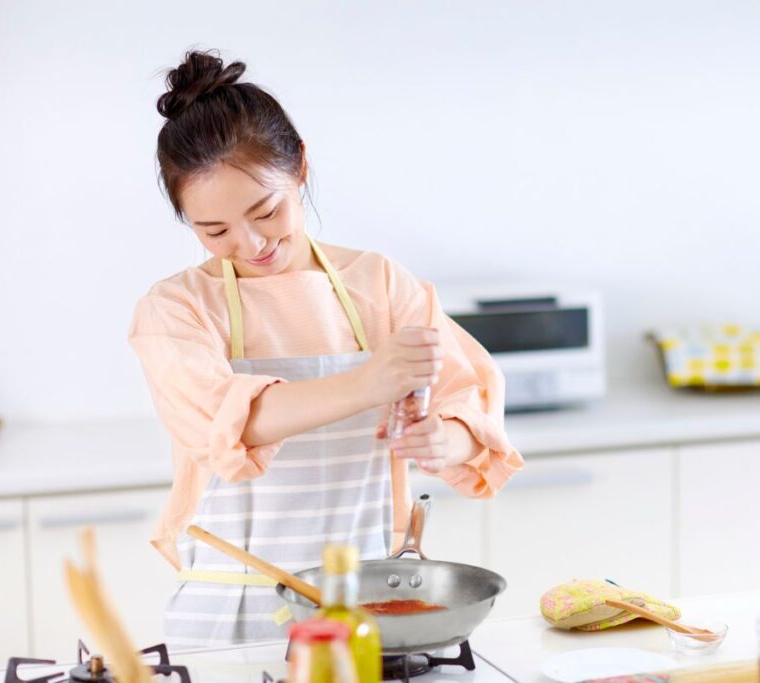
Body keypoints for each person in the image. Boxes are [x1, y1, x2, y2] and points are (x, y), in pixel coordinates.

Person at [128, 49, 523, 648]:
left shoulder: (380, 283)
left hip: (363, 603)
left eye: (267, 211)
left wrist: (446, 440)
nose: (251, 243)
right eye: (215, 231)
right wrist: (369, 383)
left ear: (301, 168)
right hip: (231, 611)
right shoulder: (176, 309)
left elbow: (470, 404)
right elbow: (224, 423)